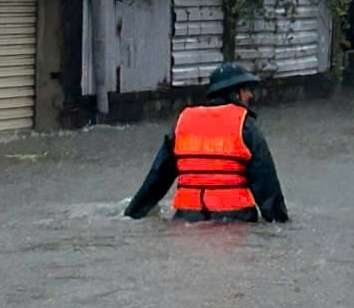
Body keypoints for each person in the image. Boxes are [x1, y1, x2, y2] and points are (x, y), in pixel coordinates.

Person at [124, 62, 289, 223]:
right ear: (234, 93)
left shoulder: (182, 123)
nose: (250, 95)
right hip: (235, 222)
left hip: (187, 221)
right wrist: (280, 223)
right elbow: (266, 183)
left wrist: (132, 214)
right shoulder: (246, 126)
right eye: (246, 90)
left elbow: (157, 178)